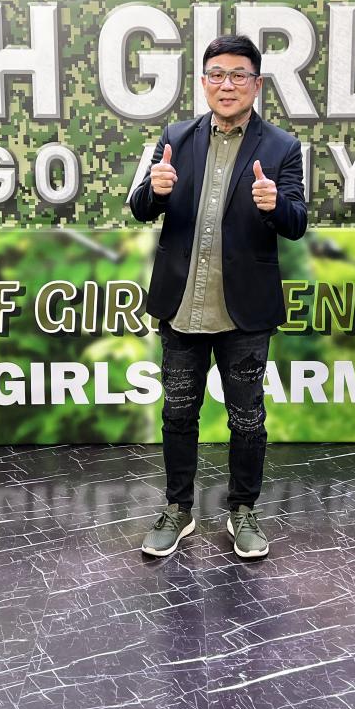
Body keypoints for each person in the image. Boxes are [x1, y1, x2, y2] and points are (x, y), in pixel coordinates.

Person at [128, 34, 307, 559]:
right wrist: (154, 192)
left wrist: (275, 204)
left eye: (238, 75)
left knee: (246, 418)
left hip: (245, 313)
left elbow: (296, 223)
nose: (226, 84)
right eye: (216, 74)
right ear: (204, 81)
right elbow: (139, 207)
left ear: (256, 83)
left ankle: (243, 510)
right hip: (182, 306)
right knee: (178, 413)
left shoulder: (280, 147)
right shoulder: (175, 137)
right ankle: (177, 508)